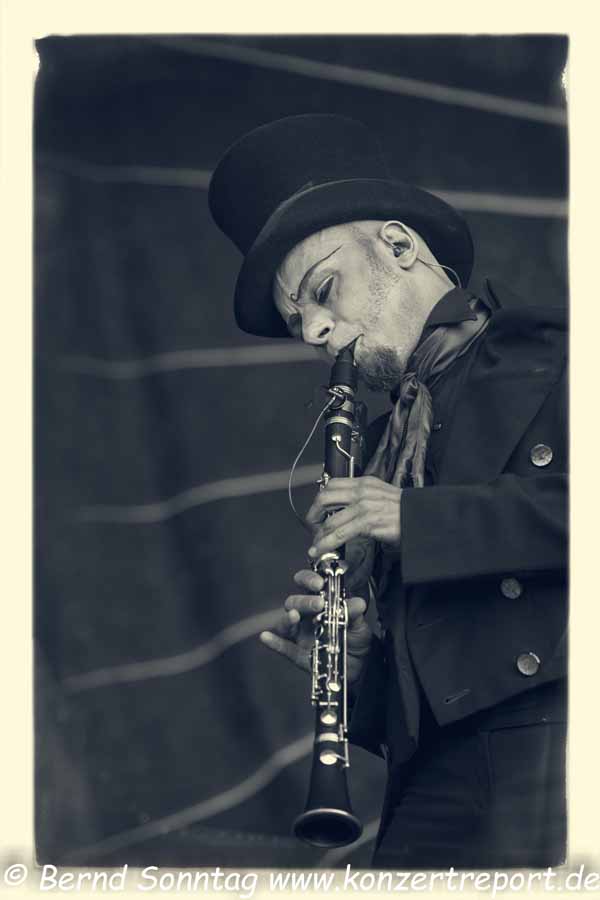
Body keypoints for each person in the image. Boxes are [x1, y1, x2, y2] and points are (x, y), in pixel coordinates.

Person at [208, 115, 567, 869]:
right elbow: (435, 683)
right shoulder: (381, 446)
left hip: (558, 766)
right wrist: (365, 664)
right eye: (298, 320)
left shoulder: (563, 355)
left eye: (322, 291)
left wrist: (418, 519)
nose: (314, 330)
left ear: (399, 246)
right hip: (426, 797)